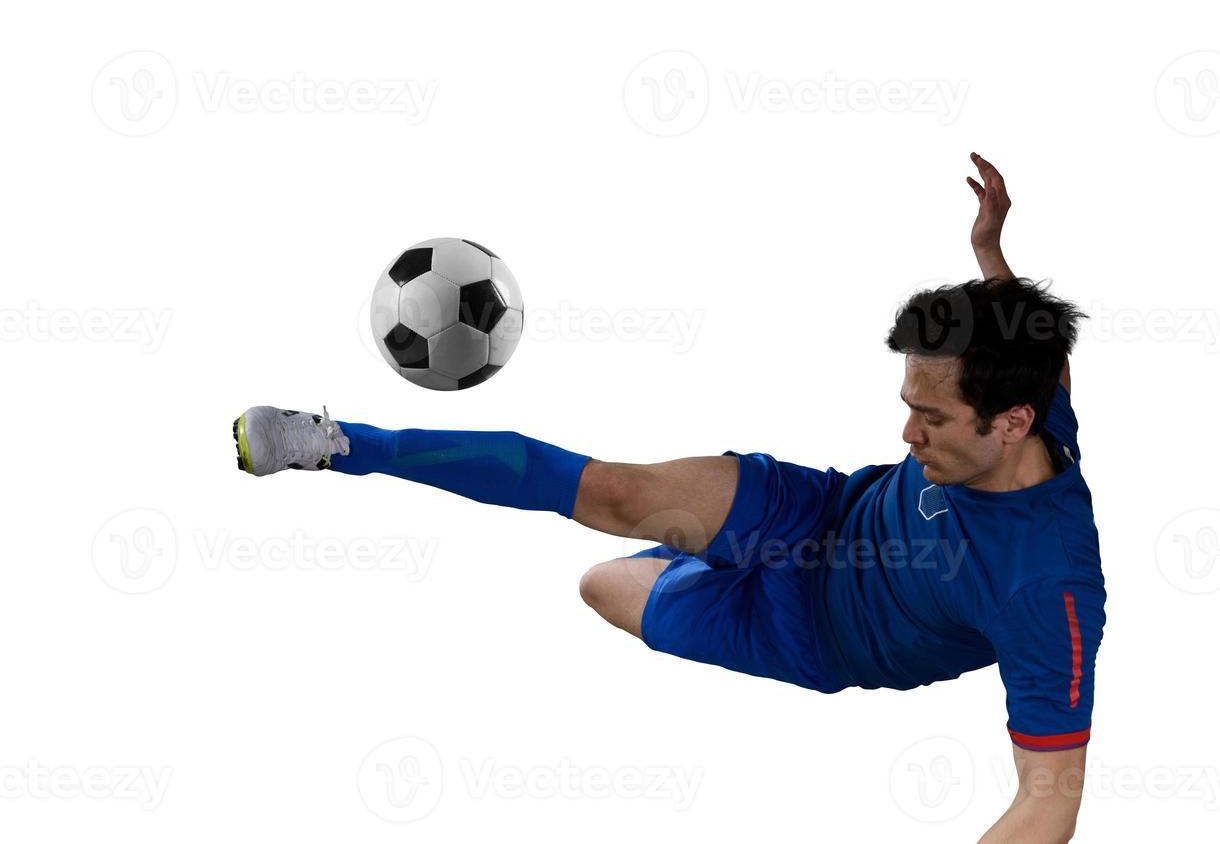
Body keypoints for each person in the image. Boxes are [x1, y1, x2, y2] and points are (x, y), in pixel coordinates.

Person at [233, 153, 1104, 842]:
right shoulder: (1037, 399)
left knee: (599, 584)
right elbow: (1042, 344)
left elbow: (1048, 804)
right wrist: (989, 253)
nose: (907, 435)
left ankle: (697, 558)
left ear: (1008, 423)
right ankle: (337, 444)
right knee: (613, 489)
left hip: (811, 636)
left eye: (930, 418)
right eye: (907, 406)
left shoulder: (1046, 591)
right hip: (822, 513)